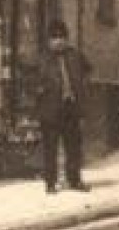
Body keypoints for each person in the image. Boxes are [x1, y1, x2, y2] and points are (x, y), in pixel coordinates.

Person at [36, 20, 91, 194]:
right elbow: (33, 81)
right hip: (50, 110)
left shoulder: (75, 55)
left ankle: (74, 180)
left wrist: (82, 91)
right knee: (50, 148)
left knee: (74, 146)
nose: (58, 41)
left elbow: (87, 71)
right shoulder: (42, 58)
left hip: (71, 108)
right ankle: (50, 183)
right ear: (49, 40)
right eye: (54, 38)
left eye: (61, 37)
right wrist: (41, 93)